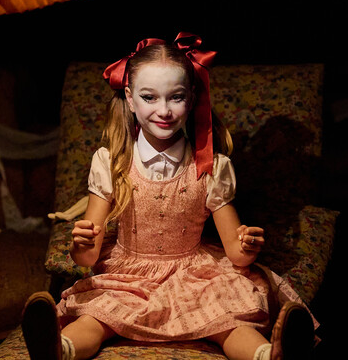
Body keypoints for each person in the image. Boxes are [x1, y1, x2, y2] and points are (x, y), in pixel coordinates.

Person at [21, 33, 317, 360]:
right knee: (97, 317)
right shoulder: (111, 162)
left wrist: (247, 246)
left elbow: (235, 253)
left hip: (195, 277)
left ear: (191, 98)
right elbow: (87, 258)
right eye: (149, 97)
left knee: (228, 323)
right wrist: (81, 244)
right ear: (130, 98)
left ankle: (270, 355)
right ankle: (58, 349)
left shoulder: (211, 166)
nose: (164, 111)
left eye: (175, 97)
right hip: (128, 278)